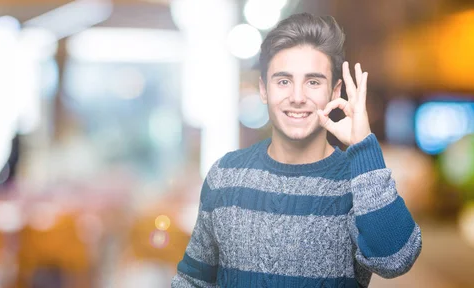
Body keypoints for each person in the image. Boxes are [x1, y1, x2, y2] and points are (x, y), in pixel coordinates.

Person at [171, 13, 422, 288]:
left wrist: (363, 146)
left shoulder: (358, 182)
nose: (298, 97)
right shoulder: (225, 175)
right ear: (264, 90)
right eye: (283, 81)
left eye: (313, 82)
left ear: (335, 92)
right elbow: (192, 280)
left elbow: (396, 259)